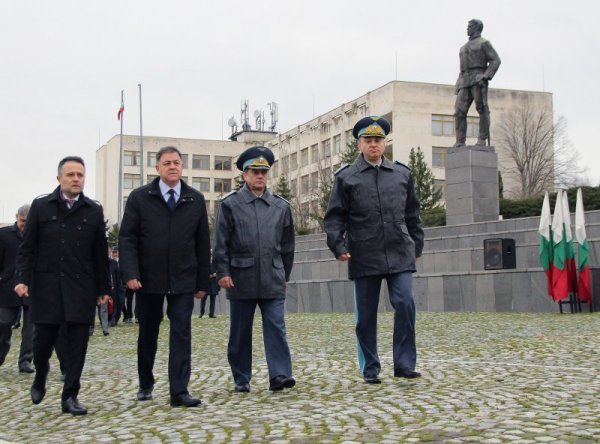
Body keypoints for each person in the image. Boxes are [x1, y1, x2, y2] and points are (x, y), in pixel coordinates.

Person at [324, 116, 425, 384]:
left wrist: (417, 242)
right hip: (364, 253)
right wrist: (338, 245)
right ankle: (370, 367)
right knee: (366, 315)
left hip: (399, 250)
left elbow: (413, 213)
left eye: (378, 140)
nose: (373, 145)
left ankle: (404, 364)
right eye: (368, 141)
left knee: (405, 304)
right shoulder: (346, 178)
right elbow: (335, 217)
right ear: (359, 144)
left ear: (384, 143)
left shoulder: (402, 174)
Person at [14, 156, 111, 415]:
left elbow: (100, 253)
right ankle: (41, 374)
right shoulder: (41, 206)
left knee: (77, 345)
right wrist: (22, 278)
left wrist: (104, 289)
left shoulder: (92, 210)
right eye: (70, 175)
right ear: (59, 179)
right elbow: (28, 248)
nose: (76, 179)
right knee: (42, 342)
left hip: (81, 288)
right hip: (46, 288)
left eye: (80, 174)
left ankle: (70, 396)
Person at [119, 146, 211, 407]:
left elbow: (202, 243)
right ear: (157, 168)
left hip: (183, 278)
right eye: (167, 163)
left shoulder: (195, 199)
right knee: (148, 331)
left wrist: (203, 282)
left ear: (182, 167)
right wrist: (131, 273)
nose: (173, 167)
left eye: (177, 163)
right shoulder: (140, 198)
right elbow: (128, 238)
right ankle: (146, 382)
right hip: (148, 278)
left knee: (181, 332)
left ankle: (179, 390)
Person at [213, 146, 296, 393]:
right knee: (239, 332)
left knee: (276, 328)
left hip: (272, 277)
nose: (260, 176)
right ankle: (241, 378)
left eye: (263, 171)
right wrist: (223, 272)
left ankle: (280, 375)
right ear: (244, 175)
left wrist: (285, 275)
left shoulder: (281, 206)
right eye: (254, 171)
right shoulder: (230, 205)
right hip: (240, 277)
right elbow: (220, 243)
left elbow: (288, 246)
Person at [454, 18, 501, 147]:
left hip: (478, 78)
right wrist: (458, 84)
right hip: (464, 80)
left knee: (482, 108)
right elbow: (462, 68)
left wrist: (486, 76)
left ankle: (482, 139)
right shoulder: (463, 48)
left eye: (470, 26)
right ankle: (460, 141)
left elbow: (495, 60)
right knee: (459, 111)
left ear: (477, 28)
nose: (467, 29)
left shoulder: (484, 43)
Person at [0, 204, 34, 373]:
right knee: (3, 324)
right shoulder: (4, 235)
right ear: (16, 217)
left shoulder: (37, 237)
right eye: (22, 221)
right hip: (8, 288)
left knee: (30, 329)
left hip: (31, 288)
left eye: (28, 222)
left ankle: (25, 360)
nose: (25, 225)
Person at [108, 248, 123, 326]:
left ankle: (114, 318)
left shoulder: (116, 263)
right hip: (108, 286)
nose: (114, 254)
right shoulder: (109, 262)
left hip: (117, 286)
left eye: (115, 253)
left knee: (117, 303)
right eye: (113, 253)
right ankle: (107, 320)